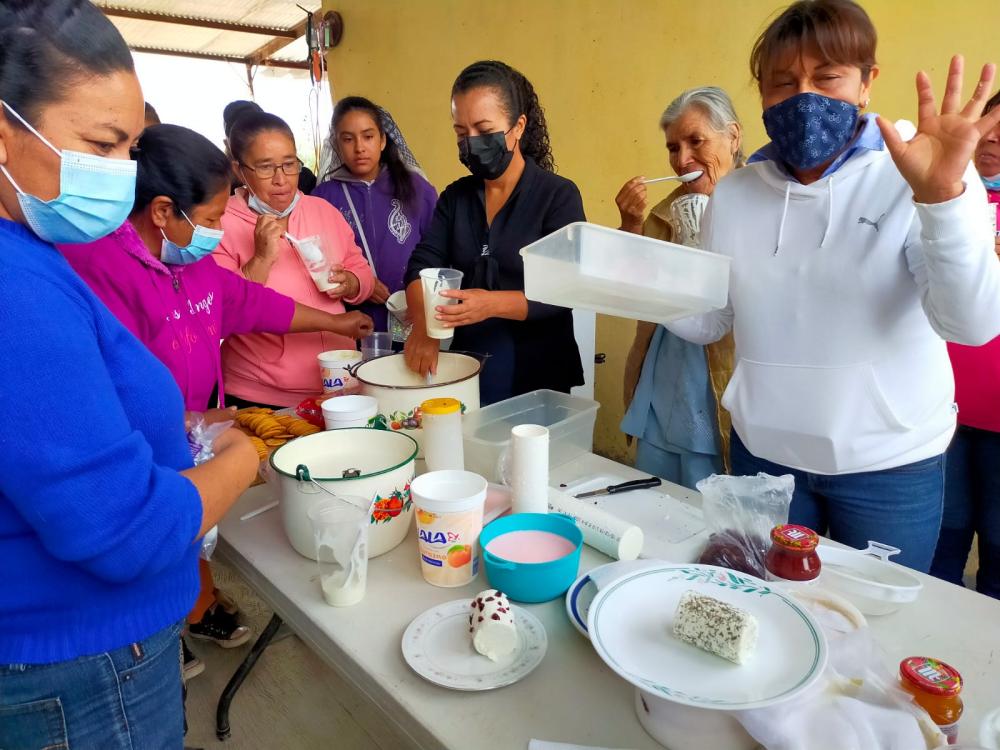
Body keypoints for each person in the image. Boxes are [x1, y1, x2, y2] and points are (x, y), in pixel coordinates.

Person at [0, 2, 259, 746]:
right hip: (80, 672)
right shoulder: (15, 287)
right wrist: (246, 456)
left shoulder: (32, 251)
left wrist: (170, 427)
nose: (120, 178)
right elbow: (127, 533)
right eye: (101, 146)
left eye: (130, 149)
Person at [664, 0, 1000, 571]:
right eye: (782, 83)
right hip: (764, 458)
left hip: (889, 468)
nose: (803, 97)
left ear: (867, 83)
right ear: (762, 94)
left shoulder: (919, 172)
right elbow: (707, 320)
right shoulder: (738, 194)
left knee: (874, 632)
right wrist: (624, 277)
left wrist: (943, 200)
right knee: (763, 610)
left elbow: (970, 324)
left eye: (826, 77)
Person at [60, 124, 373, 655]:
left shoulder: (193, 262)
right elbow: (94, 382)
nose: (214, 233)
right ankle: (160, 634)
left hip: (199, 422)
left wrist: (336, 323)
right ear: (163, 211)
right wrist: (183, 423)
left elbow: (254, 304)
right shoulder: (98, 268)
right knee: (158, 537)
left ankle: (197, 607)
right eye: (208, 221)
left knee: (196, 538)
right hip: (143, 440)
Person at [403, 60, 585, 404]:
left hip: (538, 371)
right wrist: (425, 325)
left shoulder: (556, 196)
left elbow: (566, 288)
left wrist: (490, 304)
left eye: (484, 130)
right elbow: (420, 266)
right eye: (461, 133)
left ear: (517, 127)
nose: (471, 143)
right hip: (468, 368)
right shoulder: (456, 198)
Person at [618, 87, 743, 488]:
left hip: (722, 377)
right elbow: (630, 290)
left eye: (696, 141)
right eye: (673, 147)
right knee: (655, 495)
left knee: (710, 499)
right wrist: (631, 226)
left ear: (733, 138)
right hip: (663, 371)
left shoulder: (762, 208)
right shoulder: (662, 212)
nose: (682, 159)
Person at [214, 110, 375, 408]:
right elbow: (223, 310)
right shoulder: (219, 223)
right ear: (239, 170)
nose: (281, 179)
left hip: (338, 381)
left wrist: (352, 283)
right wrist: (260, 258)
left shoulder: (321, 210)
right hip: (262, 393)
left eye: (289, 165)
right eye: (265, 168)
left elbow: (362, 273)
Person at [931, 89, 1000, 597]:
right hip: (943, 410)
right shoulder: (949, 202)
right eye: (986, 125)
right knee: (942, 542)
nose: (991, 137)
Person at [312, 96, 438, 338]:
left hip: (412, 315)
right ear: (336, 145)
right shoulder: (322, 198)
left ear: (382, 141)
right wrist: (358, 284)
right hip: (354, 324)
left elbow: (439, 249)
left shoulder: (416, 188)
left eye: (368, 137)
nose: (359, 147)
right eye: (348, 139)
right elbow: (316, 263)